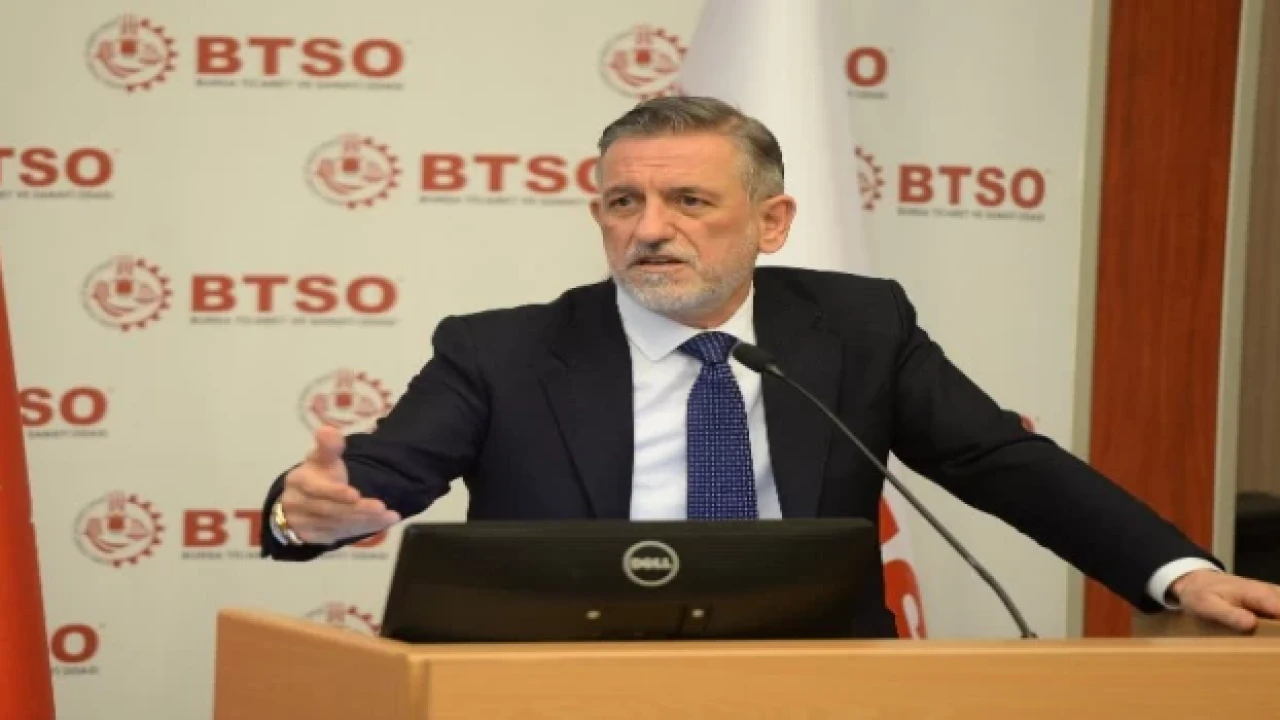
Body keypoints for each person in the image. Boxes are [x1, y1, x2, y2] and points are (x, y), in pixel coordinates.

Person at [259, 96, 1280, 636]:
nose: (648, 229)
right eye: (623, 203)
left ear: (771, 221)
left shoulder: (856, 325)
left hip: (815, 675)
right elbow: (373, 477)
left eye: (689, 202)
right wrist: (308, 512)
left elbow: (999, 462)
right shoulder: (503, 348)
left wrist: (1177, 574)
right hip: (562, 677)